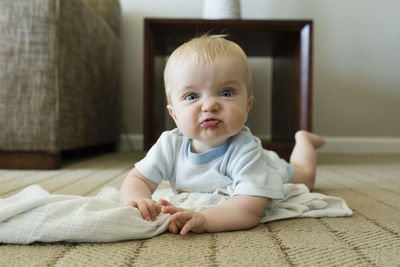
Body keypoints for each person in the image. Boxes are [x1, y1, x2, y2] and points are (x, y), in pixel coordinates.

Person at [120, 35, 324, 236]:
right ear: (174, 114)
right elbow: (138, 179)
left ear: (247, 105)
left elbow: (249, 209)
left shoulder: (245, 150)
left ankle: (304, 140)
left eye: (226, 93)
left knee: (305, 178)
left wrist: (207, 219)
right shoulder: (169, 145)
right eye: (192, 96)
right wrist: (139, 200)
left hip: (267, 167)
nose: (209, 105)